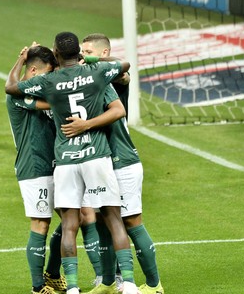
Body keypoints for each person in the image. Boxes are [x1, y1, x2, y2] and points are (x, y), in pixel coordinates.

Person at [5, 32, 139, 294]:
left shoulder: (49, 82)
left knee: (81, 217)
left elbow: (20, 86)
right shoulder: (25, 96)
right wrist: (87, 63)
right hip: (38, 166)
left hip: (63, 161)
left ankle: (90, 278)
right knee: (46, 224)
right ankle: (39, 287)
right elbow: (123, 66)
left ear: (57, 55)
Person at [66, 34, 165, 294]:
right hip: (98, 161)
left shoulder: (112, 75)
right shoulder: (86, 79)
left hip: (121, 159)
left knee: (131, 221)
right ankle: (109, 282)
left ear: (103, 53)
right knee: (101, 223)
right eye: (80, 51)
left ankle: (155, 285)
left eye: (88, 51)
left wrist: (84, 59)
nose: (83, 55)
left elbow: (123, 68)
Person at [6, 44, 67, 294]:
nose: (52, 79)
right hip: (34, 167)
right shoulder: (18, 94)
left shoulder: (42, 86)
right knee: (41, 223)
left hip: (58, 164)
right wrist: (19, 60)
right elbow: (55, 102)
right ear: (33, 70)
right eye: (48, 73)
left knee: (75, 216)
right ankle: (38, 286)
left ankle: (52, 274)